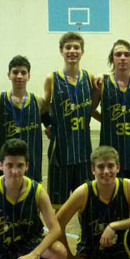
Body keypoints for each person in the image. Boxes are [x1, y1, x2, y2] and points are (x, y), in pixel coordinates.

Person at [43, 32, 100, 209]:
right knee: (58, 206)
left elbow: (91, 110)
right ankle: (60, 237)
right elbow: (44, 107)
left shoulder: (90, 78)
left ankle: (87, 237)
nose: (72, 51)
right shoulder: (52, 79)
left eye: (76, 47)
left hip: (83, 152)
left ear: (82, 51)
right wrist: (48, 125)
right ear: (61, 51)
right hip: (60, 152)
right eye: (68, 47)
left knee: (86, 203)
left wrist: (107, 121)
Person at [97, 39, 130, 197]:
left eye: (127, 54)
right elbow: (89, 110)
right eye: (118, 54)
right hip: (110, 150)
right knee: (111, 197)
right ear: (112, 59)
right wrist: (106, 120)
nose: (122, 57)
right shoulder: (102, 84)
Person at [0, 55, 44, 181]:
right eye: (15, 72)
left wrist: (50, 126)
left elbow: (49, 119)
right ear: (9, 74)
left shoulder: (39, 101)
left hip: (31, 162)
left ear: (28, 76)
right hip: (7, 161)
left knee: (31, 194)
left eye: (23, 73)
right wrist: (1, 121)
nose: (19, 76)